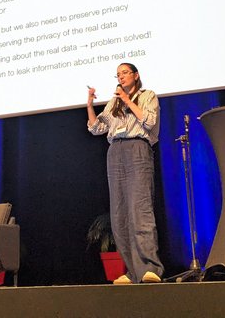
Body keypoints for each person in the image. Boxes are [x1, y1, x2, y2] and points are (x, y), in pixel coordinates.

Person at [86, 63, 164, 284]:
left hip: (137, 147)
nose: (121, 77)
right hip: (115, 151)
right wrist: (90, 105)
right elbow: (96, 128)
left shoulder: (148, 95)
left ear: (136, 75)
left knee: (140, 210)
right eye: (118, 74)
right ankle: (132, 272)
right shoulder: (114, 102)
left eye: (125, 73)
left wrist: (128, 100)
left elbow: (149, 121)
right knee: (119, 214)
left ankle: (150, 268)